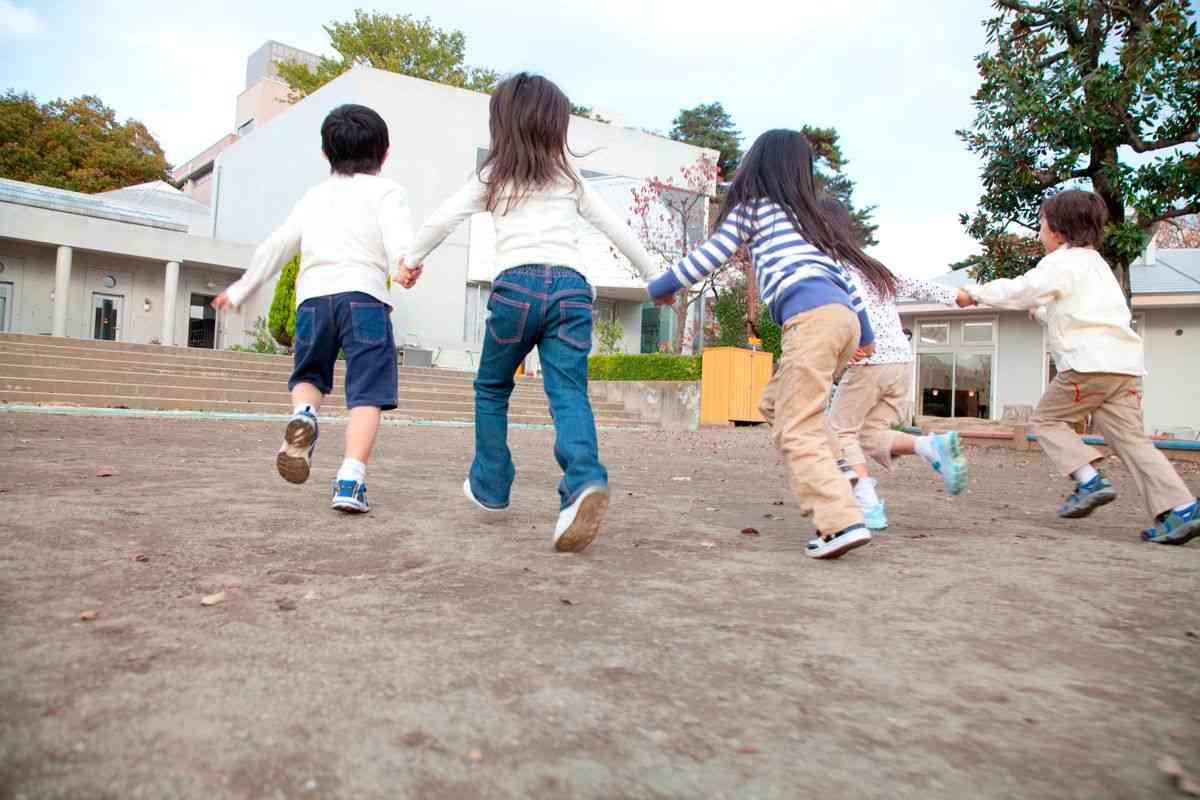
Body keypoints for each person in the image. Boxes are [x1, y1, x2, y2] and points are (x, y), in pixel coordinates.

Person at [396, 73, 660, 553]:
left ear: (503, 124)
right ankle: (583, 480)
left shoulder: (492, 176)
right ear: (555, 127)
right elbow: (616, 228)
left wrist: (412, 261)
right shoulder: (569, 178)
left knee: (493, 386)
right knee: (568, 393)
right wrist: (655, 276)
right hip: (571, 291)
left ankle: (492, 485)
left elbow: (441, 219)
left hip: (515, 289)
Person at [648, 129, 886, 560]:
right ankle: (842, 470)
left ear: (755, 166)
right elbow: (848, 281)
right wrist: (865, 336)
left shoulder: (754, 208)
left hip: (810, 322)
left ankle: (840, 521)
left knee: (796, 426)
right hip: (842, 320)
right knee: (777, 405)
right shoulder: (812, 220)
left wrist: (662, 286)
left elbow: (711, 254)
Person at [967, 189, 1198, 545]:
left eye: (1041, 225)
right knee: (1131, 441)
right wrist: (1043, 313)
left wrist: (975, 293)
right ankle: (1180, 508)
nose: (1038, 233)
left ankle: (1089, 480)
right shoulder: (1097, 264)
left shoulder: (1062, 262)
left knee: (1046, 420)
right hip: (1124, 367)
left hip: (1087, 366)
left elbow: (1023, 289)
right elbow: (1083, 313)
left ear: (1059, 230)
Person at [213, 104, 412, 514]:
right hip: (365, 300)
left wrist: (241, 288)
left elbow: (279, 244)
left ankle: (305, 414)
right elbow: (398, 238)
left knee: (308, 376)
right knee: (367, 392)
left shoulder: (313, 197)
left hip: (314, 302)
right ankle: (350, 481)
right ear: (384, 153)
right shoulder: (387, 191)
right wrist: (403, 266)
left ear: (326, 153)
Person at [821, 196, 973, 531]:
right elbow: (914, 285)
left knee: (838, 431)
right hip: (901, 362)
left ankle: (867, 504)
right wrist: (956, 297)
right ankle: (929, 445)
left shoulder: (830, 269)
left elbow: (834, 317)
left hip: (869, 360)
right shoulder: (871, 266)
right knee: (869, 434)